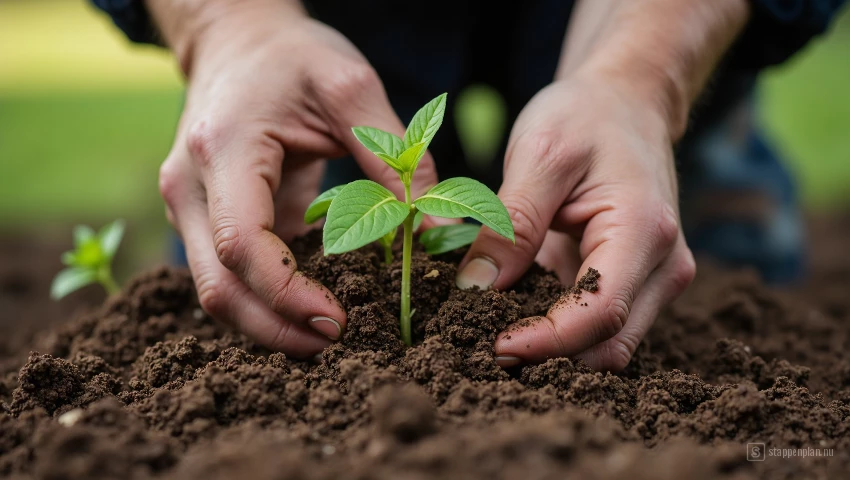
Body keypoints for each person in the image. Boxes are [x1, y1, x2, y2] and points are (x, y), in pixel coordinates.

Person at [93, 0, 845, 370]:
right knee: (261, 279)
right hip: (319, 53)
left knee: (685, 303)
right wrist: (230, 27)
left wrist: (642, 77)